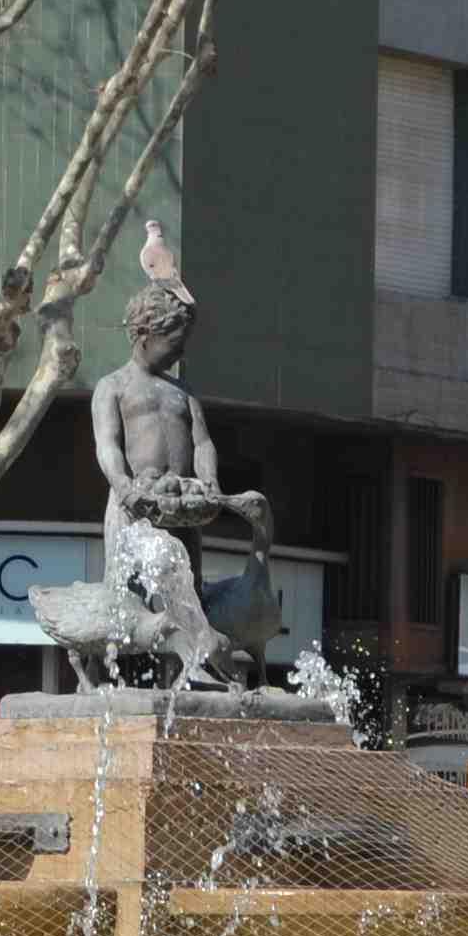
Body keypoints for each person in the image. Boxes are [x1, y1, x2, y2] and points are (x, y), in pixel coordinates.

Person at [86, 273, 272, 688]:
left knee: (191, 594)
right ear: (143, 335)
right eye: (174, 343)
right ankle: (100, 680)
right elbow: (108, 446)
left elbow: (203, 442)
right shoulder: (113, 387)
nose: (181, 352)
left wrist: (208, 479)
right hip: (134, 507)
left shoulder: (182, 392)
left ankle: (189, 676)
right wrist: (125, 485)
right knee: (123, 597)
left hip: (183, 506)